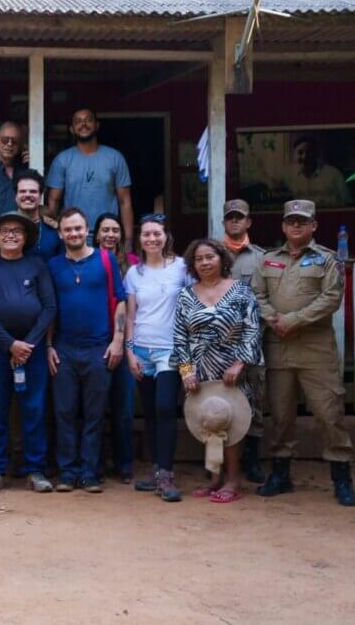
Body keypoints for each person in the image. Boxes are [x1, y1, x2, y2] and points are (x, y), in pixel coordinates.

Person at [251, 199, 355, 506]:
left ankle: (342, 478)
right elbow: (257, 295)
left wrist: (293, 321)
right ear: (283, 226)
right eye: (291, 221)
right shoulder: (268, 260)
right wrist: (274, 320)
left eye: (303, 221)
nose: (296, 226)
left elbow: (331, 298)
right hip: (278, 344)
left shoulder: (326, 259)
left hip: (315, 346)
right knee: (281, 414)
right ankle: (281, 474)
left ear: (314, 226)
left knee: (329, 412)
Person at [173, 239, 263, 503]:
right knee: (208, 419)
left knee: (232, 421)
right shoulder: (186, 295)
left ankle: (233, 479)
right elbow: (180, 337)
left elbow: (252, 329)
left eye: (209, 257)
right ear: (193, 265)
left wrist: (240, 363)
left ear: (222, 259)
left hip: (232, 368)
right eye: (199, 259)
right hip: (200, 370)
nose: (204, 263)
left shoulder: (240, 291)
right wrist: (186, 371)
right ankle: (214, 477)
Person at [0, 212, 57, 494]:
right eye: (4, 231)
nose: (10, 235)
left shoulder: (37, 265)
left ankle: (35, 469)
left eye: (16, 231)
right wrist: (10, 344)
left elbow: (49, 307)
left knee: (34, 409)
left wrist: (28, 345)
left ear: (26, 237)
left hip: (31, 352)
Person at [46, 208, 125, 494]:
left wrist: (118, 340)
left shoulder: (106, 260)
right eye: (68, 229)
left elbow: (120, 300)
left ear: (87, 229)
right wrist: (48, 346)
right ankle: (68, 471)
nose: (74, 233)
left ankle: (90, 472)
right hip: (64, 349)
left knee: (94, 413)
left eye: (78, 228)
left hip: (98, 348)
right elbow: (49, 310)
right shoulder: (53, 266)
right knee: (64, 411)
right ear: (60, 233)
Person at [124, 214, 189, 502]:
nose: (152, 239)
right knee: (150, 412)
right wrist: (129, 350)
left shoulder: (181, 268)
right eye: (146, 234)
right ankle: (155, 471)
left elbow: (191, 305)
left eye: (157, 234)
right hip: (142, 350)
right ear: (140, 239)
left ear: (166, 236)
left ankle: (167, 473)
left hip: (170, 350)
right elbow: (130, 314)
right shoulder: (134, 273)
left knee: (165, 408)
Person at [221, 198, 267, 483]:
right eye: (230, 217)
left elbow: (266, 300)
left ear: (249, 222)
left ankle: (251, 458)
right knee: (220, 398)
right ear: (224, 222)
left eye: (240, 217)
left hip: (251, 343)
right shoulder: (211, 253)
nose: (235, 221)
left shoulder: (261, 258)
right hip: (218, 345)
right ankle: (218, 460)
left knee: (254, 400)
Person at [45, 108, 134, 250]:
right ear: (72, 129)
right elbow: (53, 201)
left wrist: (129, 239)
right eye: (78, 121)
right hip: (73, 233)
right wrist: (54, 235)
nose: (83, 124)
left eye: (88, 120)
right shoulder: (62, 160)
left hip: (108, 234)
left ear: (97, 125)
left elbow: (125, 201)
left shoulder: (115, 157)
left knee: (107, 271)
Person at [93, 212, 139, 483]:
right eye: (105, 230)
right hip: (95, 341)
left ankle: (123, 464)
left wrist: (123, 340)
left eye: (115, 230)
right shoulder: (87, 260)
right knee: (94, 408)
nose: (110, 235)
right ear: (96, 234)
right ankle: (95, 463)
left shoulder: (133, 265)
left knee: (123, 408)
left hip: (126, 342)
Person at [285, 136, 353, 208]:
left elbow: (348, 202)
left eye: (309, 152)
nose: (305, 157)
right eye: (300, 152)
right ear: (294, 154)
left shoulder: (334, 174)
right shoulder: (287, 177)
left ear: (316, 154)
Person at [14, 170, 61, 261]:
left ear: (40, 196)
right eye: (23, 191)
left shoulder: (54, 231)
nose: (27, 195)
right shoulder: (3, 228)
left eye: (33, 191)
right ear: (16, 196)